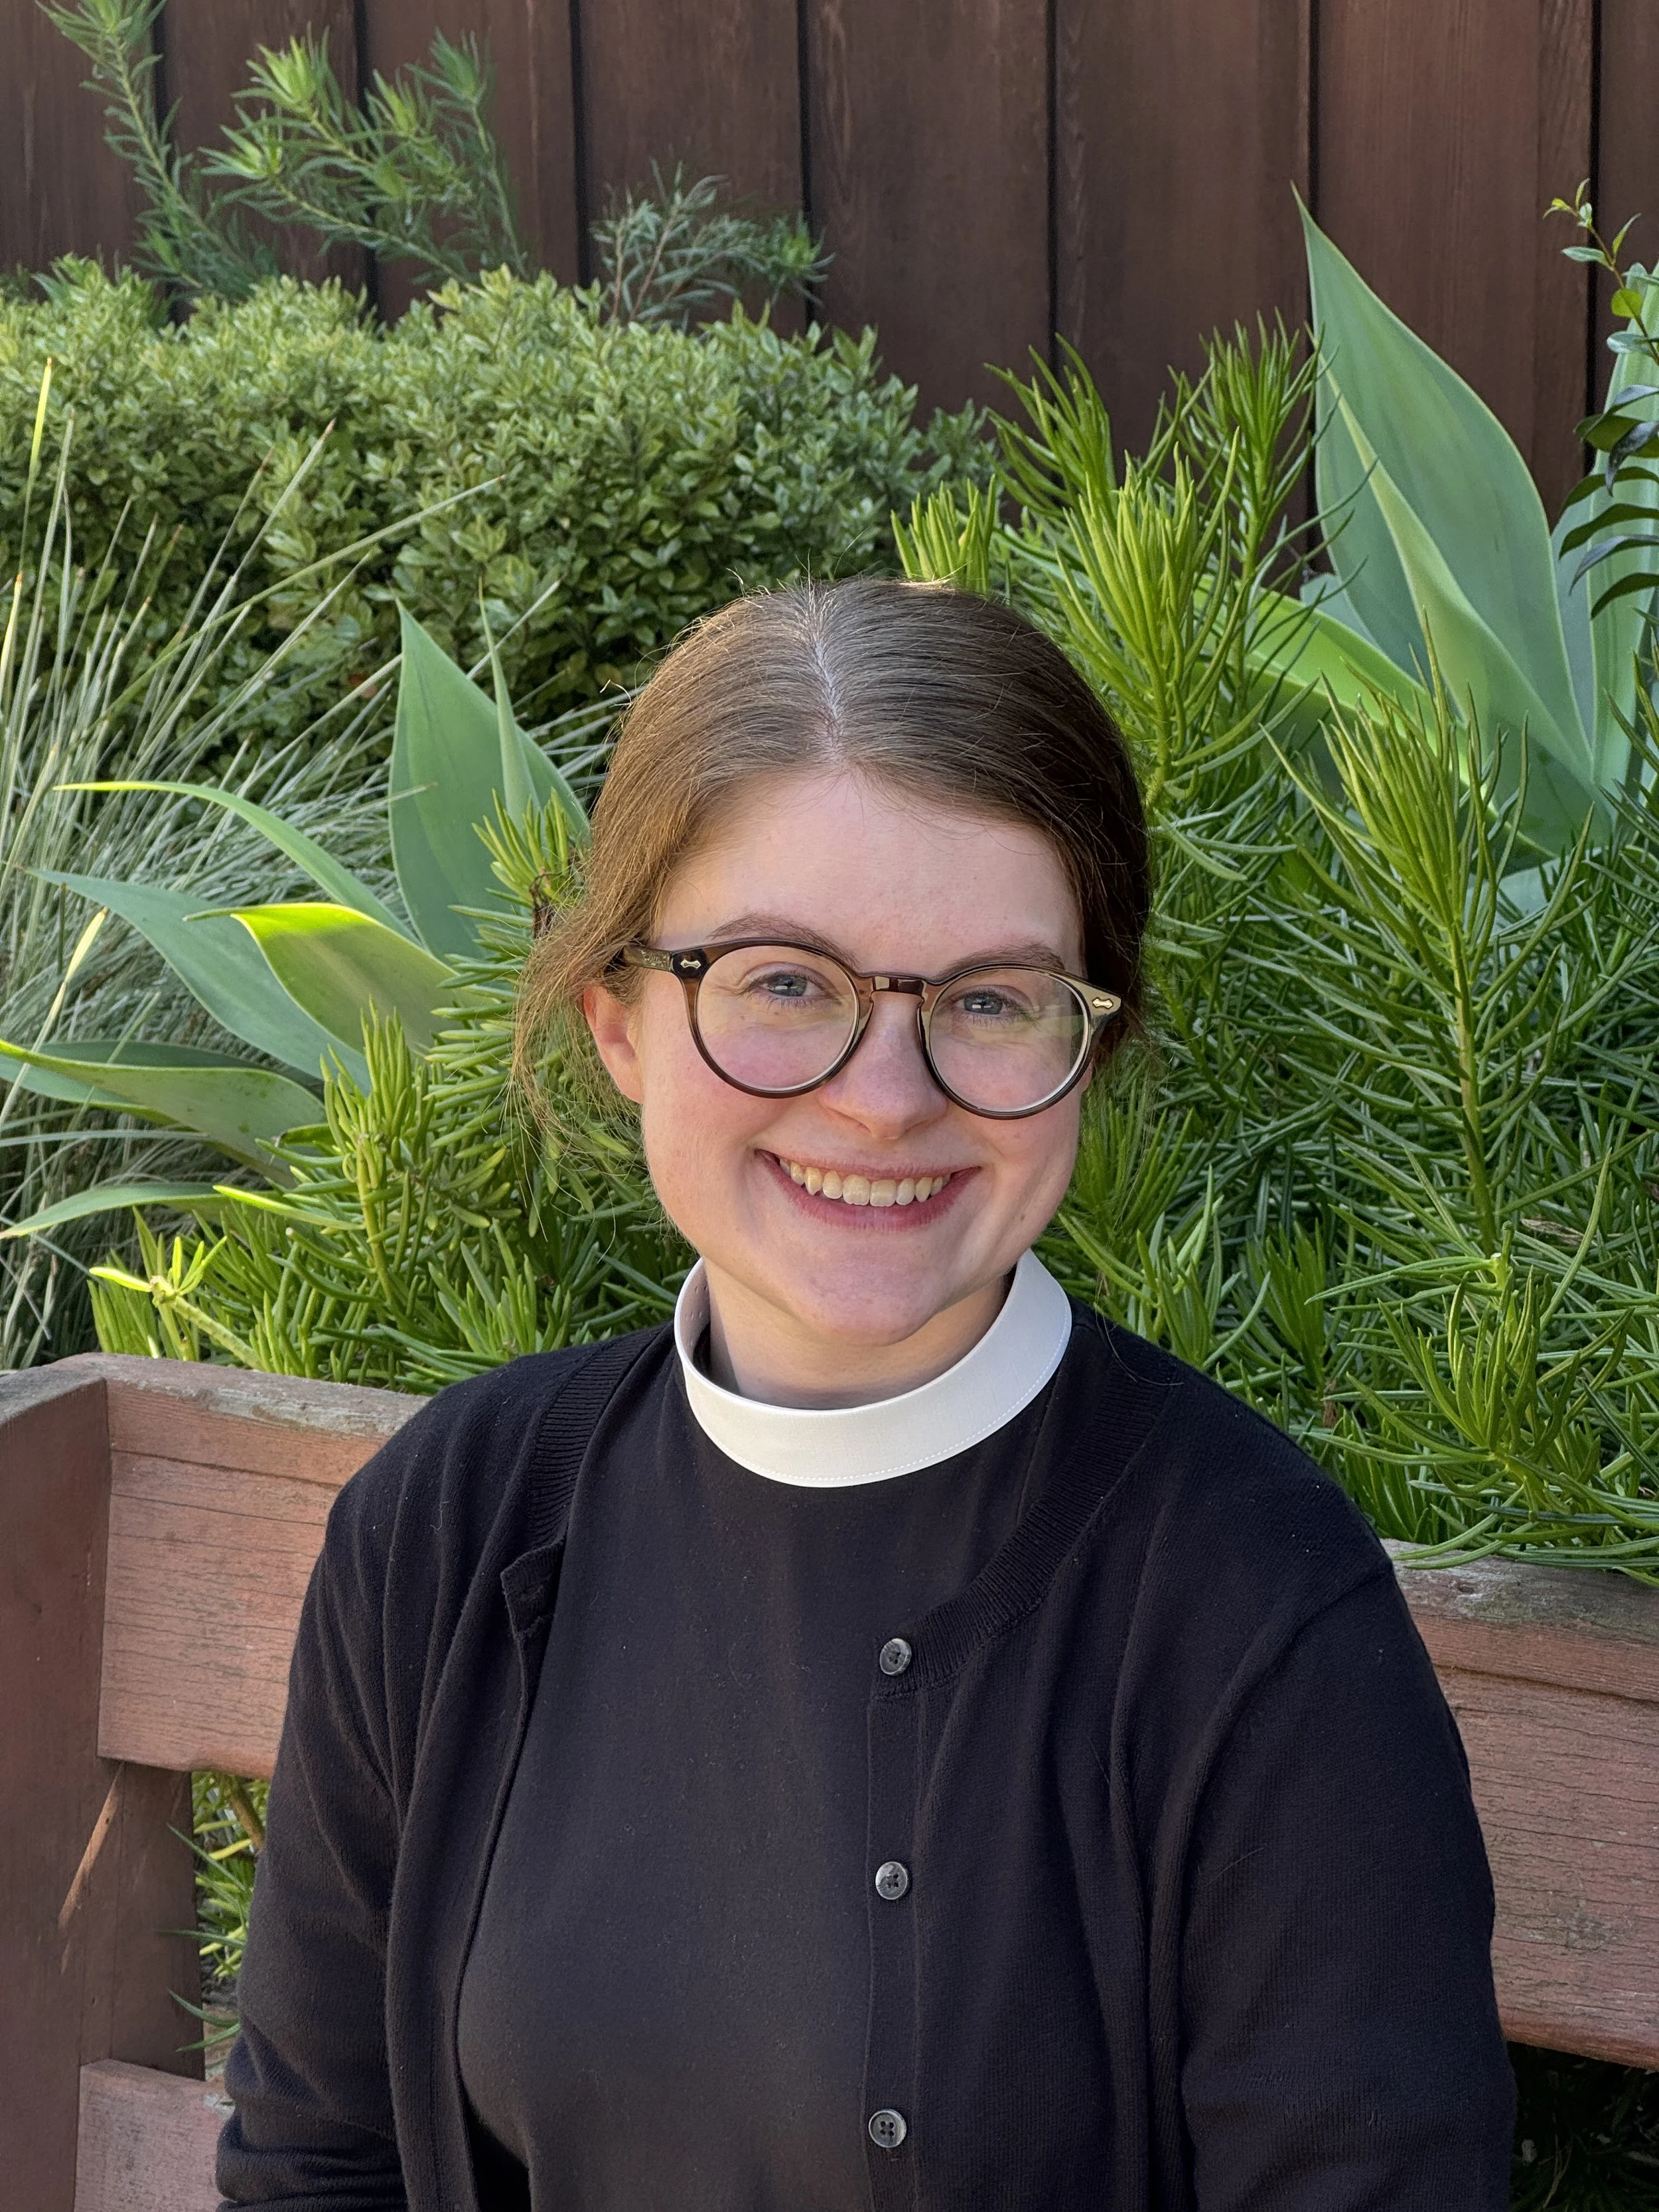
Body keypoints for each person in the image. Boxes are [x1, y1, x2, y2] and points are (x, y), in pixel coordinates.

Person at [217, 578, 1514, 2211]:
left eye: (984, 999)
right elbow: (315, 2166)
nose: (882, 1101)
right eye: (779, 981)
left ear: (1084, 1053)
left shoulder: (1253, 1610)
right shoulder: (448, 1526)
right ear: (620, 1020)